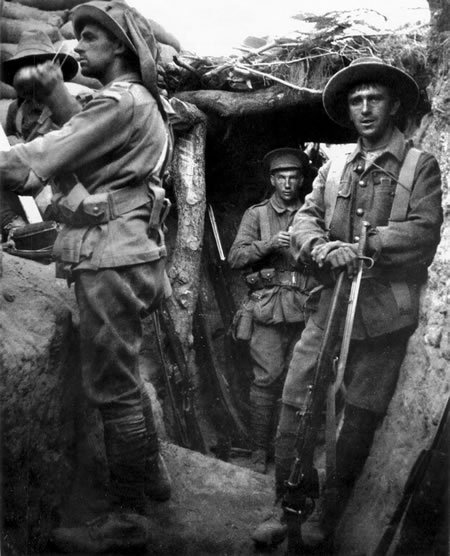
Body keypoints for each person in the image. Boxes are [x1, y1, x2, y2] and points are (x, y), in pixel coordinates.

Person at [0, 1, 174, 552]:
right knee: (125, 369)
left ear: (121, 47)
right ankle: (148, 479)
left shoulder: (119, 102)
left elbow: (32, 163)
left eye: (91, 36)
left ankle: (128, 518)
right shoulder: (132, 101)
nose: (77, 46)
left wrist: (24, 158)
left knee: (113, 386)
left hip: (111, 255)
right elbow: (80, 166)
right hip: (127, 250)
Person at [252, 57, 443, 548]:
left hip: (383, 314)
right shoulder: (334, 165)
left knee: (356, 416)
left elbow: (424, 232)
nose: (364, 108)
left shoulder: (420, 166)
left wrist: (365, 244)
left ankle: (328, 517)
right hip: (328, 305)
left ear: (394, 103)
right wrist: (321, 247)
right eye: (356, 101)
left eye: (374, 98)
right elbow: (304, 221)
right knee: (297, 401)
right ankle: (290, 509)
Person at [228, 148, 317, 474]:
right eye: (281, 177)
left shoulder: (312, 211)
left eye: (294, 177)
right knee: (266, 379)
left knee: (301, 380)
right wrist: (269, 245)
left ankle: (291, 454)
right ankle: (257, 451)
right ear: (272, 179)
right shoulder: (257, 215)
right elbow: (235, 257)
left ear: (302, 179)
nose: (288, 183)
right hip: (267, 309)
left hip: (305, 307)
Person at [1, 29, 79, 239]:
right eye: (25, 69)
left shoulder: (65, 106)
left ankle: (51, 227)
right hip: (22, 181)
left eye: (37, 68)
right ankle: (15, 228)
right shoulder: (16, 110)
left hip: (55, 181)